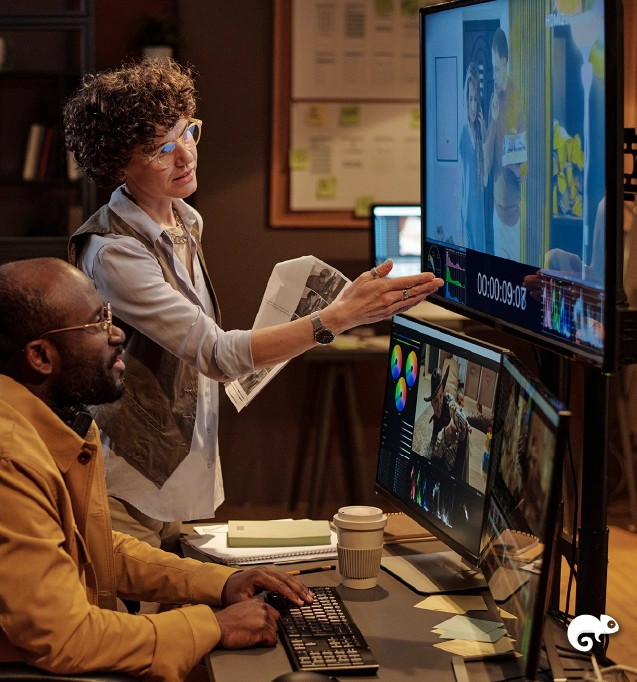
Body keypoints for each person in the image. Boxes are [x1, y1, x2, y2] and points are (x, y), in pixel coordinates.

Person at [62, 58, 443, 552]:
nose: (186, 156)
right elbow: (216, 354)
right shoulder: (115, 251)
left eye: (187, 133)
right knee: (147, 624)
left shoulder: (183, 222)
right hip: (129, 487)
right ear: (117, 164)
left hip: (177, 476)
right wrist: (338, 316)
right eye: (160, 149)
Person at [0, 257, 314, 682]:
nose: (116, 333)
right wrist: (214, 626)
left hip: (29, 661)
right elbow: (65, 640)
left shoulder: (36, 420)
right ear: (40, 357)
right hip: (7, 673)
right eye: (95, 323)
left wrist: (222, 582)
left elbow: (93, 547)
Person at [483, 28, 526, 262]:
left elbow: (528, 170)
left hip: (514, 216)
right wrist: (492, 122)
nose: (494, 76)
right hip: (496, 212)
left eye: (496, 69)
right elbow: (487, 164)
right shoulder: (493, 100)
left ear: (505, 62)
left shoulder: (518, 101)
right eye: (492, 70)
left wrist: (519, 170)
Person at [460, 61, 488, 252]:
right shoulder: (462, 134)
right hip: (467, 209)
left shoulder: (478, 134)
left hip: (479, 207)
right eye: (470, 99)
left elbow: (485, 179)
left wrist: (485, 139)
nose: (472, 105)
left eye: (475, 100)